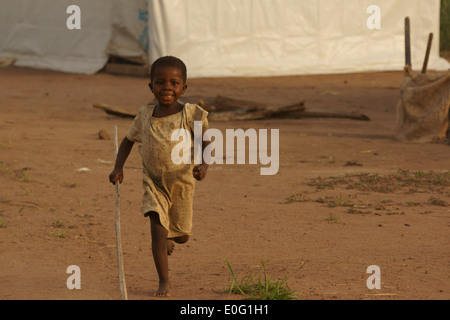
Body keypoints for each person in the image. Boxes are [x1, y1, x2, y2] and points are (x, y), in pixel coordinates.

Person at [109, 56, 209, 297]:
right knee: (156, 227)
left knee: (182, 235)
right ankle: (164, 280)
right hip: (153, 182)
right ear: (151, 86)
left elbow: (205, 140)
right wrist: (118, 167)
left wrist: (204, 164)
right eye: (160, 82)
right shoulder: (144, 115)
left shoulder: (190, 113)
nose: (167, 87)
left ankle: (172, 237)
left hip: (182, 182)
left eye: (174, 83)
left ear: (183, 87)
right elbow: (128, 140)